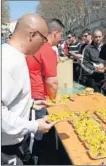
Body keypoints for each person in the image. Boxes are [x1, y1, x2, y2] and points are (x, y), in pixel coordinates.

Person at [2, 13, 57, 165]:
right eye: (44, 38)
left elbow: (10, 97)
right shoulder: (7, 60)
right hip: (5, 148)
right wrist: (33, 126)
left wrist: (30, 103)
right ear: (32, 34)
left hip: (14, 141)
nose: (45, 43)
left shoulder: (18, 56)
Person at [26, 18, 64, 164]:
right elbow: (52, 81)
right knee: (37, 137)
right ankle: (34, 160)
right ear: (55, 33)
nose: (61, 39)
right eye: (61, 35)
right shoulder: (47, 50)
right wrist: (54, 101)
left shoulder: (33, 47)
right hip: (38, 99)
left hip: (30, 97)